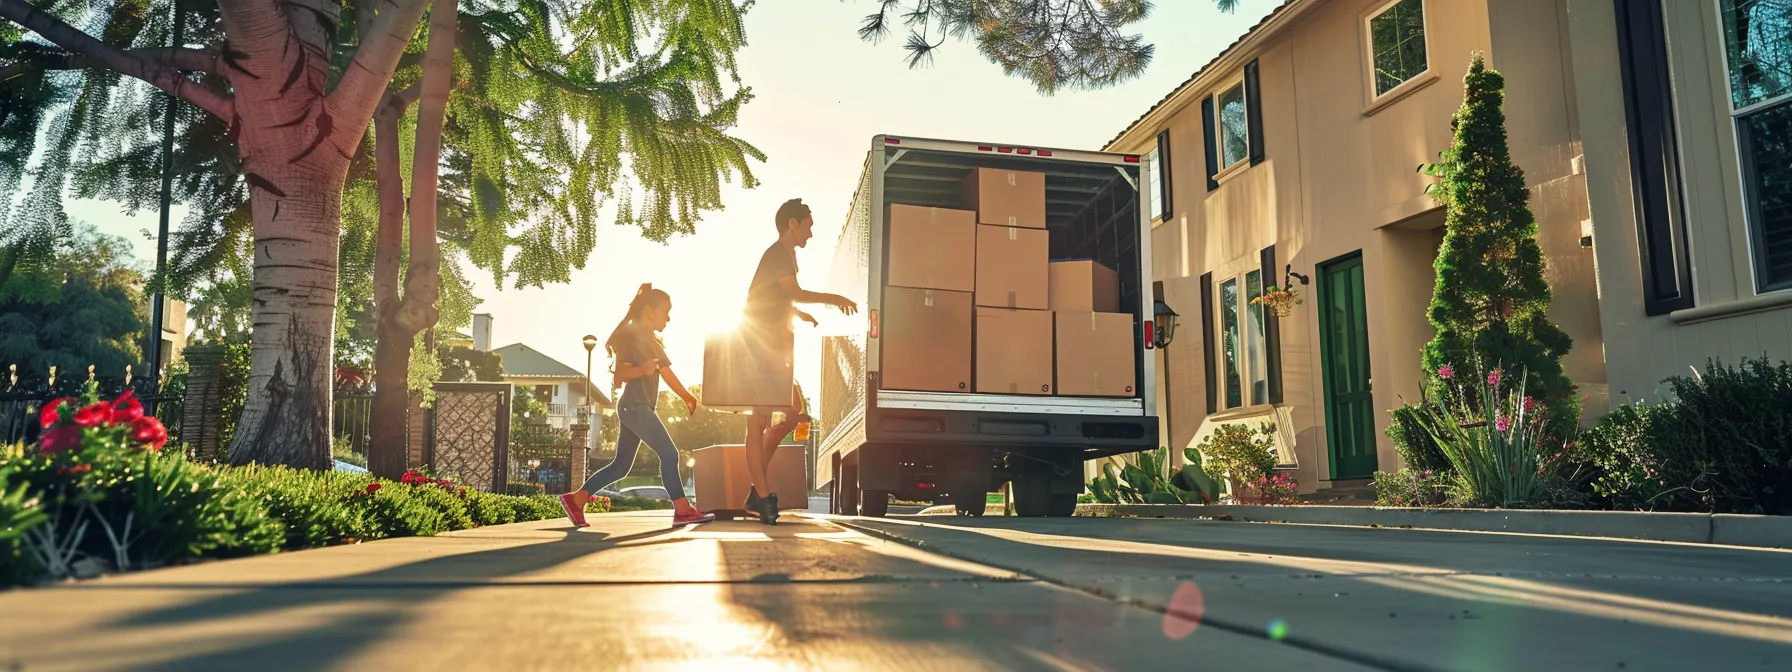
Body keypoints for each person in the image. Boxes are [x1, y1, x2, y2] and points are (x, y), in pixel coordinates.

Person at [738, 198, 858, 524]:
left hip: (773, 344)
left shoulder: (786, 256)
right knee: (758, 420)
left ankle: (755, 491)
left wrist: (798, 314)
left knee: (792, 413)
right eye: (808, 225)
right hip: (758, 345)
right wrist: (833, 299)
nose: (811, 232)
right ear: (793, 224)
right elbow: (793, 292)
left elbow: (775, 297)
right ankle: (761, 497)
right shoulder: (778, 254)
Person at [560, 284, 714, 528]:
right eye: (665, 311)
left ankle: (577, 499)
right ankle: (682, 509)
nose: (669, 317)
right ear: (649, 311)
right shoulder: (632, 335)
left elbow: (667, 372)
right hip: (635, 406)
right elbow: (620, 374)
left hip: (638, 408)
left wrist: (687, 396)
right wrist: (642, 370)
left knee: (621, 466)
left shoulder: (652, 341)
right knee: (669, 454)